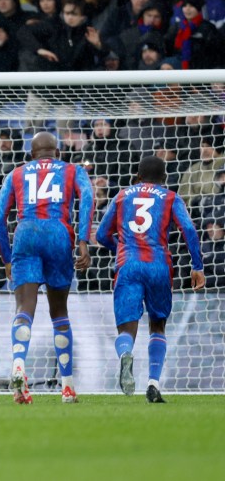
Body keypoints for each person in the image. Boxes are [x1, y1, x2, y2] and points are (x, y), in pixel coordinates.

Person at [0, 131, 94, 404]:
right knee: (59, 311)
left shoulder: (16, 173)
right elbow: (87, 198)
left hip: (26, 232)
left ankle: (18, 366)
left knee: (24, 308)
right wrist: (83, 240)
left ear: (31, 155)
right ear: (58, 153)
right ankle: (68, 387)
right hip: (59, 233)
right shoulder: (72, 170)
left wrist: (6, 258)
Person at [95, 156, 205, 403]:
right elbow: (188, 228)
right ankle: (153, 383)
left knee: (126, 326)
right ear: (164, 178)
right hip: (159, 265)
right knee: (158, 325)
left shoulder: (122, 196)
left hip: (129, 264)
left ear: (138, 176)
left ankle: (125, 354)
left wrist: (120, 249)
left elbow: (101, 234)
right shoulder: (170, 197)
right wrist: (197, 266)